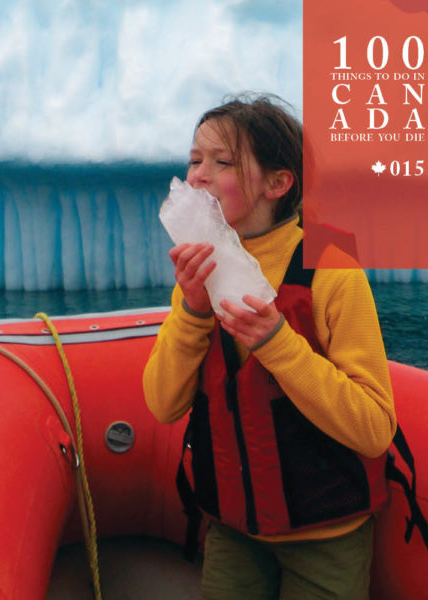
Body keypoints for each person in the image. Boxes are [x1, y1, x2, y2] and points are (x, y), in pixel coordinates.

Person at [142, 94, 397, 600]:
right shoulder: (200, 275)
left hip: (327, 535)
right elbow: (163, 404)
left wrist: (279, 343)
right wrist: (192, 312)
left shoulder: (331, 269)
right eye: (195, 160)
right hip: (235, 531)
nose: (197, 176)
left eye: (222, 162)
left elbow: (373, 430)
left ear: (279, 184)